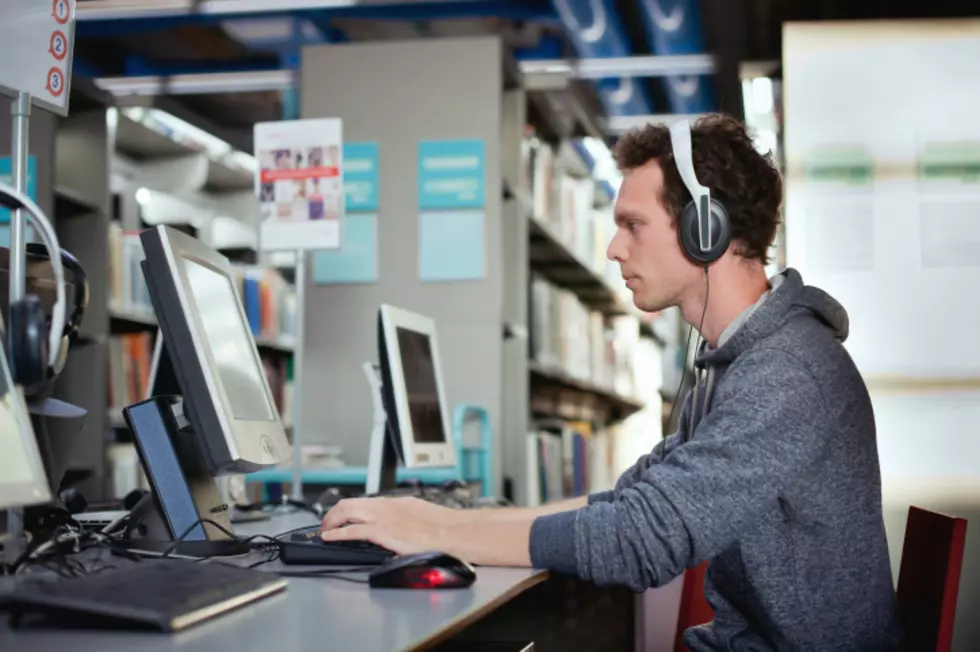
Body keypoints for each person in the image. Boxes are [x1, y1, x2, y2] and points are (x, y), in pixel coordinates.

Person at [319, 114, 905, 651]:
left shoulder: (787, 371)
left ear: (706, 230)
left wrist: (442, 530)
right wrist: (440, 523)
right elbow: (629, 501)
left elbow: (640, 540)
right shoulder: (737, 367)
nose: (613, 247)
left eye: (633, 225)